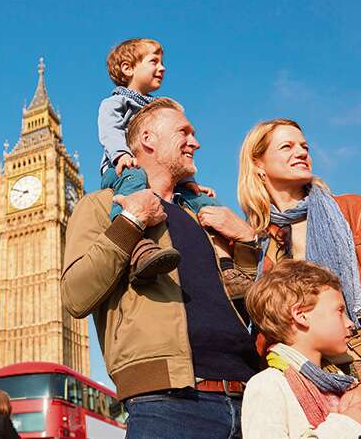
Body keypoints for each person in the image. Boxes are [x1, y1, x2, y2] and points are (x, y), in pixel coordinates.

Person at [62, 98, 261, 438]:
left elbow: (248, 303)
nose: (195, 142)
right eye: (184, 132)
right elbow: (75, 296)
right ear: (147, 140)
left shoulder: (204, 215)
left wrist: (247, 242)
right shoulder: (101, 206)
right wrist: (131, 221)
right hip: (168, 404)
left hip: (250, 400)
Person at [237, 118, 361, 425]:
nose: (301, 152)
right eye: (287, 146)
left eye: (304, 146)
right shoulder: (258, 243)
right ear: (258, 164)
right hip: (302, 392)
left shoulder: (356, 212)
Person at [98, 38, 223, 285]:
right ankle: (135, 244)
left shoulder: (161, 107)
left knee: (204, 202)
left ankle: (226, 264)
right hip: (122, 168)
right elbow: (110, 131)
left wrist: (188, 180)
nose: (162, 68)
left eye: (162, 62)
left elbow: (173, 152)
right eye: (154, 61)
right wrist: (121, 154)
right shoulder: (116, 102)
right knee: (134, 179)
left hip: (157, 175)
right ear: (128, 68)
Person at [242, 259, 361, 438]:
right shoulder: (267, 385)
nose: (351, 323)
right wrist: (348, 427)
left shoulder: (341, 383)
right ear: (301, 315)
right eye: (340, 311)